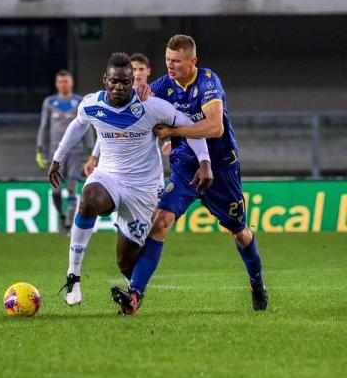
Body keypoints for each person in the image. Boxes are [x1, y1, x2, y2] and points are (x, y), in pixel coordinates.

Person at [112, 35, 268, 314]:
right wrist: (138, 95)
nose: (170, 66)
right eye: (167, 60)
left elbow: (215, 127)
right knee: (161, 221)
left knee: (240, 233)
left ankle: (256, 281)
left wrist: (173, 132)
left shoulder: (208, 82)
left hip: (221, 166)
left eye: (176, 61)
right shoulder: (161, 87)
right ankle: (135, 295)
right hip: (185, 164)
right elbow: (130, 107)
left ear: (193, 61)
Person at [48, 52, 213, 308]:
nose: (120, 86)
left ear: (131, 82)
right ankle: (73, 276)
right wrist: (58, 157)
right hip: (109, 176)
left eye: (125, 82)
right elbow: (78, 125)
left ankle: (134, 292)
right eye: (115, 81)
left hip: (143, 188)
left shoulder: (151, 106)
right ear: (106, 80)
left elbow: (188, 124)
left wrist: (205, 161)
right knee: (88, 199)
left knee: (125, 262)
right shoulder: (91, 104)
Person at [83, 53, 171, 197]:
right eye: (134, 69)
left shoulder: (155, 98)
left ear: (148, 71)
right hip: (119, 167)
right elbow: (107, 129)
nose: (137, 73)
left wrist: (169, 140)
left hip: (147, 166)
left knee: (156, 211)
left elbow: (168, 123)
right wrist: (94, 157)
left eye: (141, 69)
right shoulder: (116, 98)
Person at [36, 70, 95, 234]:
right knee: (55, 190)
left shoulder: (79, 101)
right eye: (60, 81)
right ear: (56, 84)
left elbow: (86, 127)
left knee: (72, 187)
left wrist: (90, 151)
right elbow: (44, 127)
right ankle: (61, 215)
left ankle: (68, 225)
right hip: (56, 153)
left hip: (76, 151)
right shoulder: (49, 102)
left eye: (66, 81)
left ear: (71, 83)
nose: (63, 84)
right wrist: (40, 149)